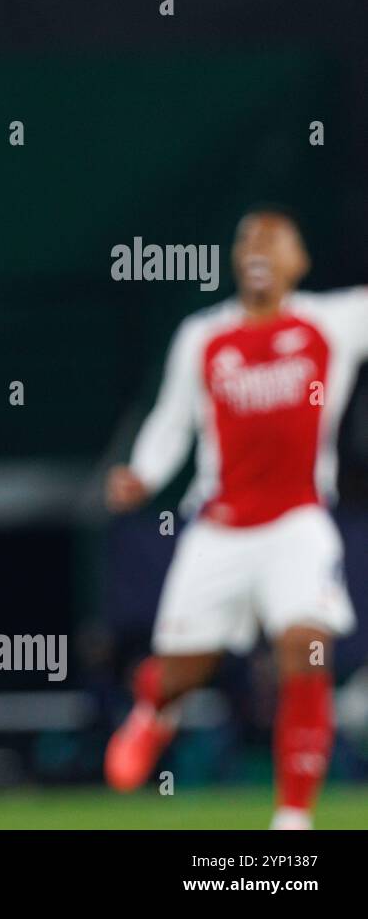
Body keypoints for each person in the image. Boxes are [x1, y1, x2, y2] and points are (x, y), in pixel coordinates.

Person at [105, 206, 367, 829]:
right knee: (181, 674)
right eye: (248, 238)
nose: (259, 248)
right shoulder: (204, 335)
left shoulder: (332, 322)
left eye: (275, 240)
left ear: (298, 262)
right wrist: (143, 471)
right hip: (219, 527)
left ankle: (292, 818)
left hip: (298, 522)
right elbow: (172, 418)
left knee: (307, 649)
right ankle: (154, 708)